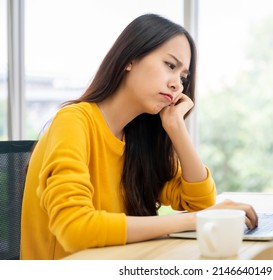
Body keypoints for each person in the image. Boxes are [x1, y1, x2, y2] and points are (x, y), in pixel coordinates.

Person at [20, 13, 258, 260]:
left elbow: (202, 204)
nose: (177, 84)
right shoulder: (73, 121)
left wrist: (177, 129)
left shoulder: (138, 138)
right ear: (130, 59)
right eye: (170, 65)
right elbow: (74, 228)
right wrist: (193, 221)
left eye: (183, 77)